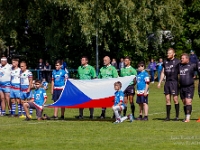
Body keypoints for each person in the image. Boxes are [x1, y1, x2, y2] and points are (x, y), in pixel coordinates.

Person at [158, 48, 180, 121]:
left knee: (175, 99)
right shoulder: (165, 62)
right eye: (167, 53)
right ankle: (168, 117)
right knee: (167, 99)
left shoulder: (177, 62)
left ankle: (177, 116)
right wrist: (160, 82)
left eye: (169, 53)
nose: (168, 54)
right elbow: (163, 72)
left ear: (173, 54)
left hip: (174, 82)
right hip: (167, 82)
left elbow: (181, 72)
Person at [179, 53, 196, 122]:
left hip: (190, 87)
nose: (181, 59)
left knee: (188, 102)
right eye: (181, 58)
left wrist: (195, 76)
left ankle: (188, 119)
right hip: (182, 87)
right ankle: (186, 116)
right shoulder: (179, 66)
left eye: (183, 58)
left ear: (187, 59)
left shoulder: (192, 65)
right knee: (184, 102)